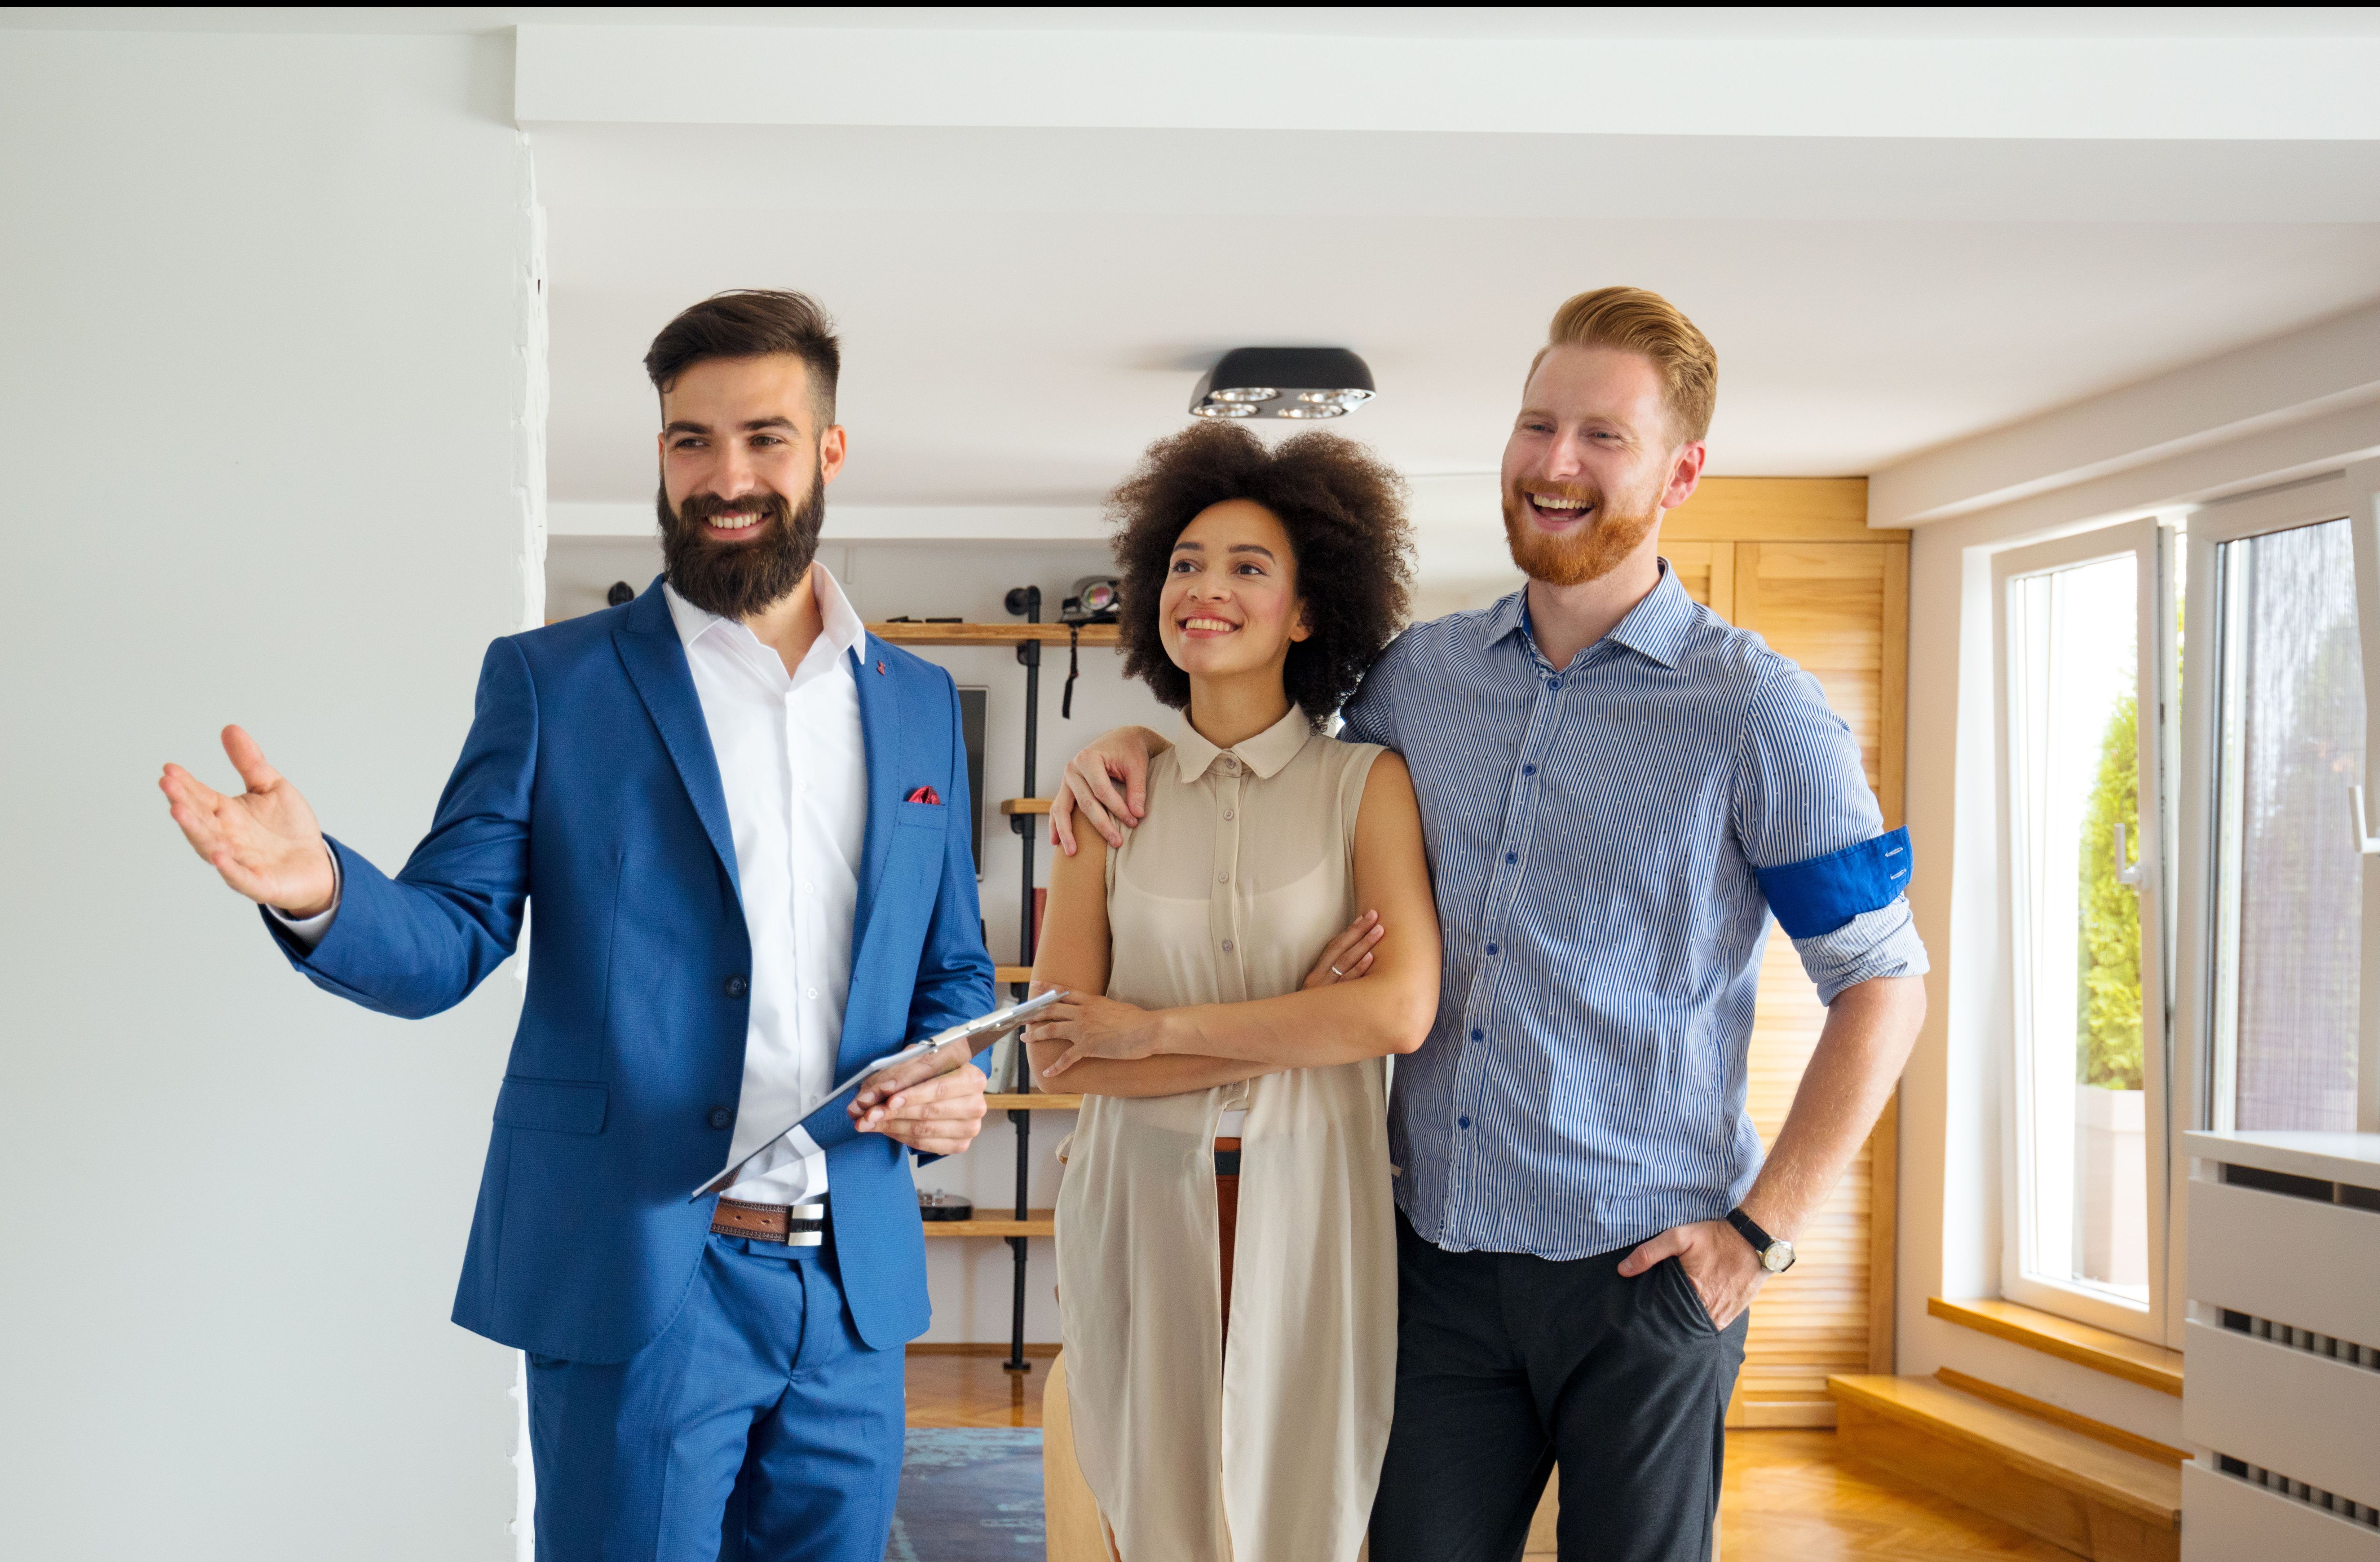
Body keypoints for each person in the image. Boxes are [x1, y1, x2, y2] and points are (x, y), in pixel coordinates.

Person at [1051, 287, 1930, 1562]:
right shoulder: (1418, 678)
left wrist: (1759, 1234)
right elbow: (1258, 762)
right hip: (1434, 1264)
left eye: (1602, 437)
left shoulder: (1760, 716)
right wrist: (1125, 743)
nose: (1554, 464)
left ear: (1682, 470)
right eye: (1536, 425)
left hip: (1645, 1273)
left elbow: (1882, 981)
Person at [158, 290, 995, 1562]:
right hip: (645, 1275)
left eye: (765, 438)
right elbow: (449, 934)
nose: (726, 477)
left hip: (851, 1288)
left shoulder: (921, 704)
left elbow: (951, 966)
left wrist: (956, 1073)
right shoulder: (554, 682)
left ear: (828, 453)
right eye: (689, 440)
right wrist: (318, 887)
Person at [1023, 422, 1441, 1562]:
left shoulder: (1368, 784)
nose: (1204, 588)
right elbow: (1055, 1053)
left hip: (1310, 1198)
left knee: (1298, 1514)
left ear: (1308, 612)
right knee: (1146, 1511)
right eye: (1187, 563)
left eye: (1247, 567)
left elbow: (1395, 1011)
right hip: (1133, 1198)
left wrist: (1151, 1032)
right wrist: (1294, 1025)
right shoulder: (1110, 794)